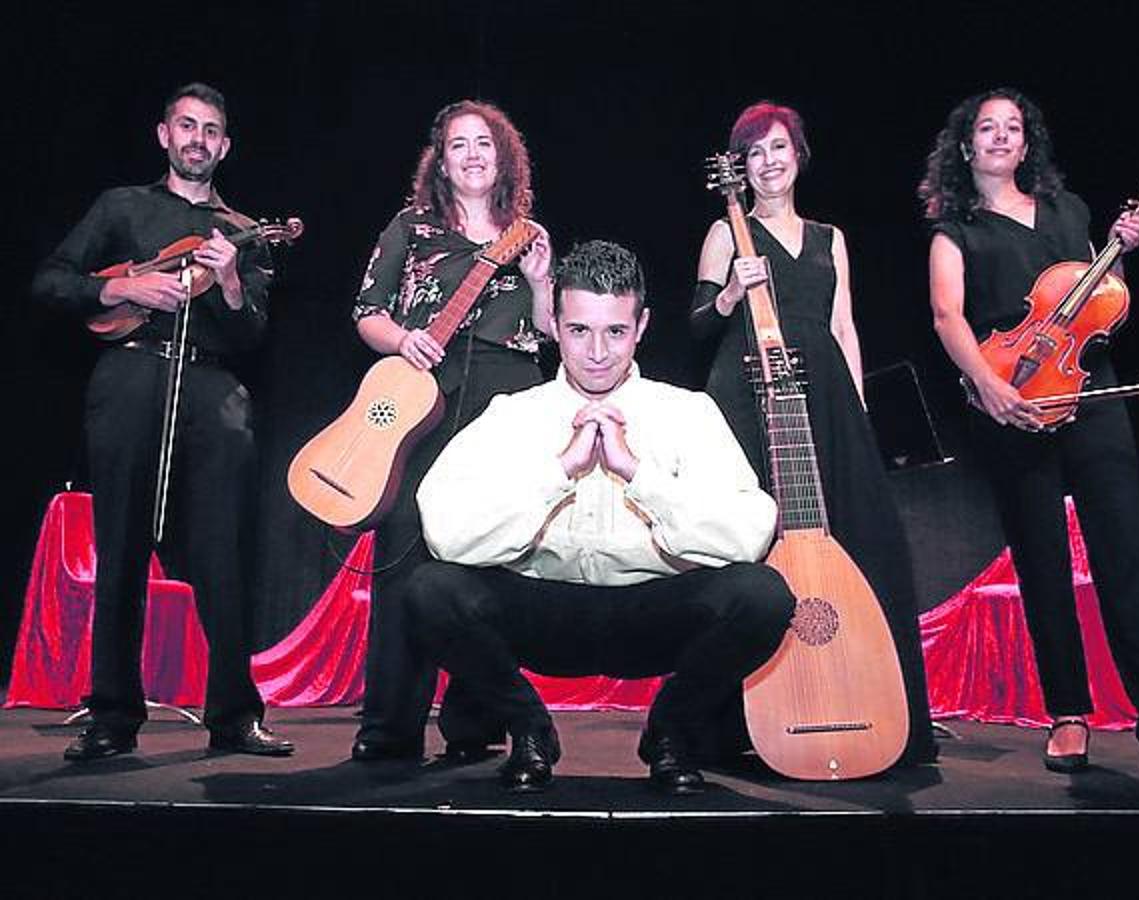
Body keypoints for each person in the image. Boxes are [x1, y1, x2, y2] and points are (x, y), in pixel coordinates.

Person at [401, 239, 795, 793]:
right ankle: (528, 727)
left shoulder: (688, 412)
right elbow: (445, 528)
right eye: (580, 330)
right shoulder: (513, 415)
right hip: (542, 613)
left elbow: (750, 530)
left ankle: (671, 733)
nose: (597, 352)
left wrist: (638, 474)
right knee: (429, 590)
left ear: (642, 326)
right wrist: (561, 469)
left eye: (615, 331)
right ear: (555, 325)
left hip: (652, 612)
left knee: (764, 595)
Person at [920, 86, 1139, 781]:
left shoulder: (1070, 212)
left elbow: (1093, 306)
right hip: (1013, 401)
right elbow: (946, 316)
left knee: (1128, 555)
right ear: (967, 147)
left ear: (1027, 144)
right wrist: (989, 388)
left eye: (1012, 127)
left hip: (1092, 395)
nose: (999, 137)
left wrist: (1120, 250)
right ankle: (1067, 712)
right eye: (986, 128)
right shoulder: (953, 230)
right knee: (1043, 565)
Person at [32, 82, 293, 760]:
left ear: (225, 146)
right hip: (130, 376)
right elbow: (52, 281)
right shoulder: (122, 205)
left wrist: (233, 282)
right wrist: (120, 288)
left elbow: (253, 335)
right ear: (164, 134)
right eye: (187, 125)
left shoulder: (240, 231)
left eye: (211, 129)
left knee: (221, 555)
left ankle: (235, 715)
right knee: (120, 548)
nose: (198, 138)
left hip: (210, 385)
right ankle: (113, 717)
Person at [692, 102, 938, 766]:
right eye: (755, 152)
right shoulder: (726, 233)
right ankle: (737, 725)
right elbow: (696, 328)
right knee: (752, 547)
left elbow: (843, 327)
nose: (769, 162)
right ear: (739, 168)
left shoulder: (830, 238)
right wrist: (727, 296)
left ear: (799, 154)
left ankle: (877, 705)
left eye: (779, 148)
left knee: (863, 542)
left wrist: (854, 410)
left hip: (824, 399)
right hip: (747, 398)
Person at [349, 100, 554, 762]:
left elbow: (555, 332)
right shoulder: (411, 227)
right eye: (458, 144)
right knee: (406, 552)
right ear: (441, 158)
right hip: (423, 401)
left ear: (503, 158)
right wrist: (403, 341)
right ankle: (389, 728)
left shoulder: (528, 235)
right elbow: (367, 313)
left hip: (508, 399)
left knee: (488, 559)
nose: (471, 153)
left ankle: (476, 725)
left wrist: (541, 281)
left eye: (484, 144)